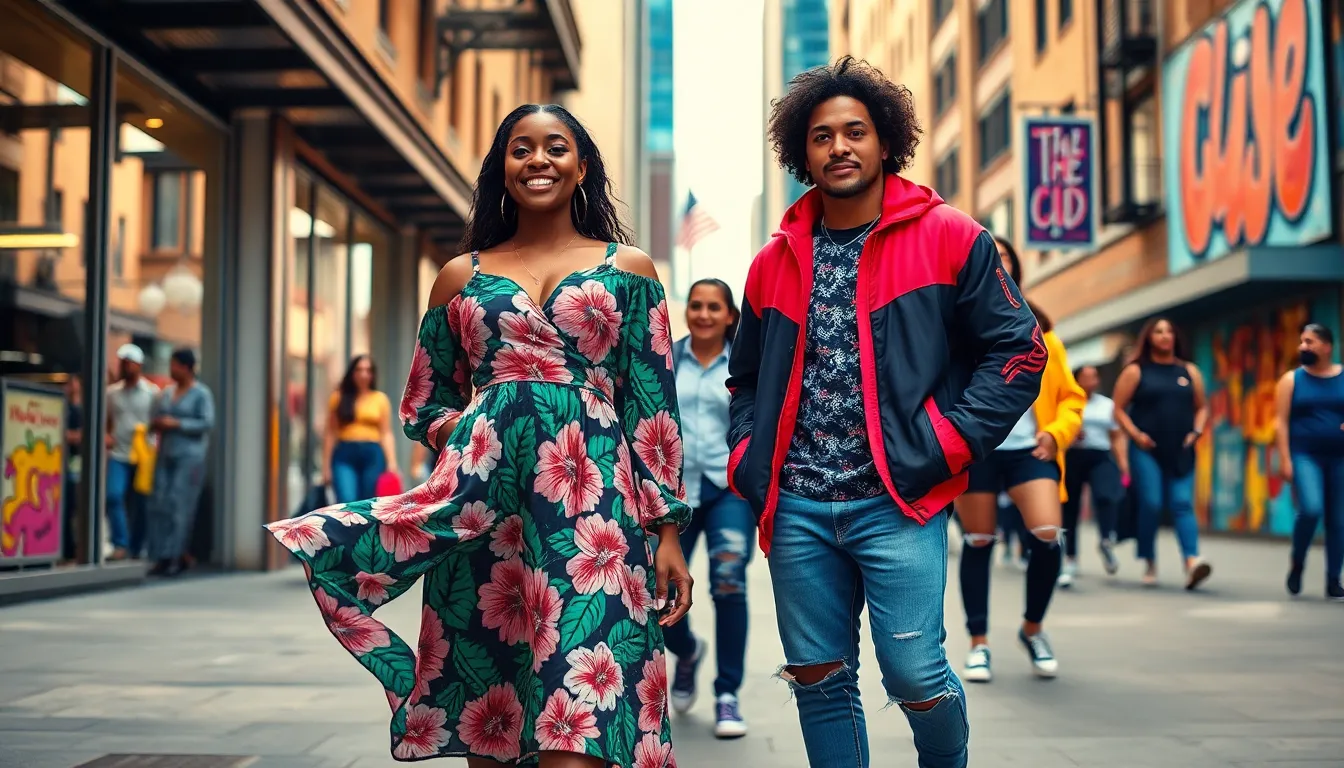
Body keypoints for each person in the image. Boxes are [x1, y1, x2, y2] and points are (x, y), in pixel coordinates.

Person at [267, 103, 692, 768]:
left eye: (556, 147)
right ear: (502, 169)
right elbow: (423, 401)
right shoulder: (459, 276)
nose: (539, 161)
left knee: (576, 726)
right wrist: (465, 424)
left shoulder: (629, 269)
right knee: (490, 726)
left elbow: (652, 410)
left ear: (582, 166)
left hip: (595, 519)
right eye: (521, 149)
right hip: (485, 514)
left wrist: (666, 530)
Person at [729, 57, 1045, 768]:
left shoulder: (952, 236)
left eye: (855, 132)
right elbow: (743, 380)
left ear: (884, 142)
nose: (839, 147)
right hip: (799, 503)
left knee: (916, 676)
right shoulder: (771, 262)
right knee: (818, 676)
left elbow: (1019, 352)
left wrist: (949, 440)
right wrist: (752, 459)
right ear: (800, 152)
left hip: (899, 498)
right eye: (821, 136)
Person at [955, 236, 1085, 683]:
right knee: (979, 542)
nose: (998, 266)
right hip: (978, 453)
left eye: (1005, 260)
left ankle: (1032, 629)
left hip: (1032, 450)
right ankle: (979, 644)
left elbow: (1071, 397)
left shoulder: (1043, 334)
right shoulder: (959, 328)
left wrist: (1055, 433)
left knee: (1048, 535)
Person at [662, 277, 753, 739]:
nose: (703, 314)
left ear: (730, 315)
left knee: (729, 584)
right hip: (673, 497)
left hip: (728, 490)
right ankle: (687, 650)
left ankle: (727, 694)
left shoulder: (742, 362)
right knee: (659, 592)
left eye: (714, 307)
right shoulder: (665, 360)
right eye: (696, 305)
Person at [1111, 317, 1213, 589]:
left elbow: (1202, 406)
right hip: (1147, 449)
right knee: (1152, 504)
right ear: (1149, 337)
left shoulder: (1189, 371)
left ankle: (1192, 562)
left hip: (1182, 448)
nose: (1165, 335)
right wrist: (1136, 436)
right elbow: (1118, 409)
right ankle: (1149, 560)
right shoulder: (1136, 371)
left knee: (1182, 503)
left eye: (1169, 331)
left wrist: (1197, 431)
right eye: (1158, 331)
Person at [1274, 323, 1344, 600]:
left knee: (1339, 520)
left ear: (1327, 347)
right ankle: (1298, 561)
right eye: (1302, 341)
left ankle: (1333, 579)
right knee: (1311, 509)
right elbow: (1280, 422)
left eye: (1310, 342)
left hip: (1340, 457)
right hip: (1305, 456)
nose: (1302, 346)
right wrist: (1285, 458)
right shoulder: (1292, 380)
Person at [146, 348, 215, 577]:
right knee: (161, 504)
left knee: (180, 505)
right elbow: (153, 417)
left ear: (186, 367)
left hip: (189, 457)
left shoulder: (201, 394)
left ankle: (175, 556)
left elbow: (206, 423)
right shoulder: (166, 393)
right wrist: (157, 423)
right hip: (165, 454)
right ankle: (161, 555)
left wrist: (176, 424)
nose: (171, 369)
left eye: (175, 365)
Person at [1060, 364, 1128, 585]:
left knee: (1106, 495)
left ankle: (1106, 540)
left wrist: (1123, 463)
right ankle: (1070, 558)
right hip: (1073, 456)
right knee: (1070, 508)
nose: (1091, 380)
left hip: (1100, 456)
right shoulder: (1067, 403)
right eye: (1085, 376)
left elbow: (1116, 436)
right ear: (1076, 379)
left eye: (1094, 376)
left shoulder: (1107, 405)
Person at [106, 343, 159, 560]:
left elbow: (156, 422)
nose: (125, 366)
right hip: (119, 453)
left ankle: (136, 547)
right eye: (122, 362)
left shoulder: (152, 393)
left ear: (139, 365)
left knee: (141, 503)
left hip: (143, 455)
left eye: (129, 363)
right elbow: (107, 421)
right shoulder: (112, 393)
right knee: (113, 495)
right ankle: (121, 543)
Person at [323, 355, 399, 503]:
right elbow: (330, 433)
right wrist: (326, 467)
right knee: (347, 499)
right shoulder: (338, 398)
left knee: (367, 501)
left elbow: (386, 433)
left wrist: (392, 462)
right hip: (345, 453)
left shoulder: (380, 399)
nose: (364, 374)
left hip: (372, 454)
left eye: (368, 370)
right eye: (359, 370)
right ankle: (347, 527)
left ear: (373, 374)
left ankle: (364, 528)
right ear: (352, 373)